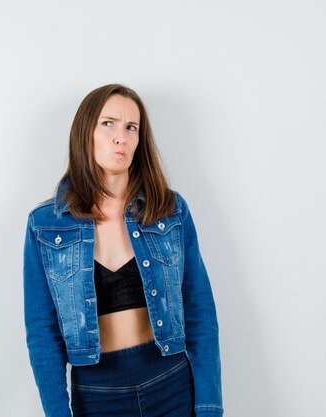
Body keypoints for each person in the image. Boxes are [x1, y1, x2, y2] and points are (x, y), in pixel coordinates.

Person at [23, 84, 223, 417]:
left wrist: (209, 408)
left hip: (171, 384)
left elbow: (200, 312)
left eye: (132, 127)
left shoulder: (170, 212)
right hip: (98, 395)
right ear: (85, 132)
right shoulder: (46, 225)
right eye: (109, 123)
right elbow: (42, 333)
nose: (122, 137)